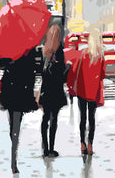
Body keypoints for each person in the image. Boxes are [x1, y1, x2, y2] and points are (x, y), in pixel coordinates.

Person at [0, 48, 39, 174]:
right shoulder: (29, 49)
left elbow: (2, 65)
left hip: (14, 90)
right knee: (15, 125)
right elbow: (34, 70)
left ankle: (13, 158)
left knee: (14, 124)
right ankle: (13, 155)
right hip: (20, 90)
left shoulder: (12, 48)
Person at [39, 24, 70, 158]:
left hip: (46, 91)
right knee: (53, 120)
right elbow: (62, 78)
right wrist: (68, 67)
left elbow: (42, 73)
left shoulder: (43, 51)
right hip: (56, 92)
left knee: (45, 118)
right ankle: (51, 149)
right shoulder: (60, 52)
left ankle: (45, 149)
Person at [75, 29, 106, 156]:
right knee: (91, 119)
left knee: (82, 118)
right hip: (93, 92)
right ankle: (90, 145)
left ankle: (82, 144)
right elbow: (102, 76)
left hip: (82, 90)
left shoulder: (83, 53)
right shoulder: (100, 55)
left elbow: (77, 71)